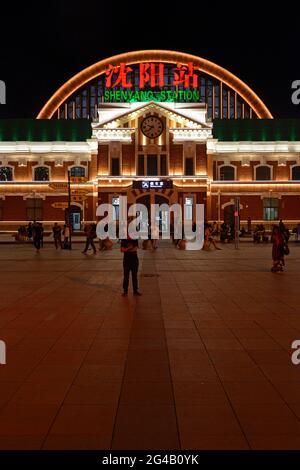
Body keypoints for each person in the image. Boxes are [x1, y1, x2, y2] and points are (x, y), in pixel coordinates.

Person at [121, 231, 141, 296]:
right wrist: (129, 248)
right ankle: (125, 291)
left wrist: (126, 249)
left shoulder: (135, 239)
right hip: (126, 260)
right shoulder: (124, 240)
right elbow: (121, 250)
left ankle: (135, 291)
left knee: (134, 276)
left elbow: (135, 249)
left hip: (134, 260)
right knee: (126, 276)